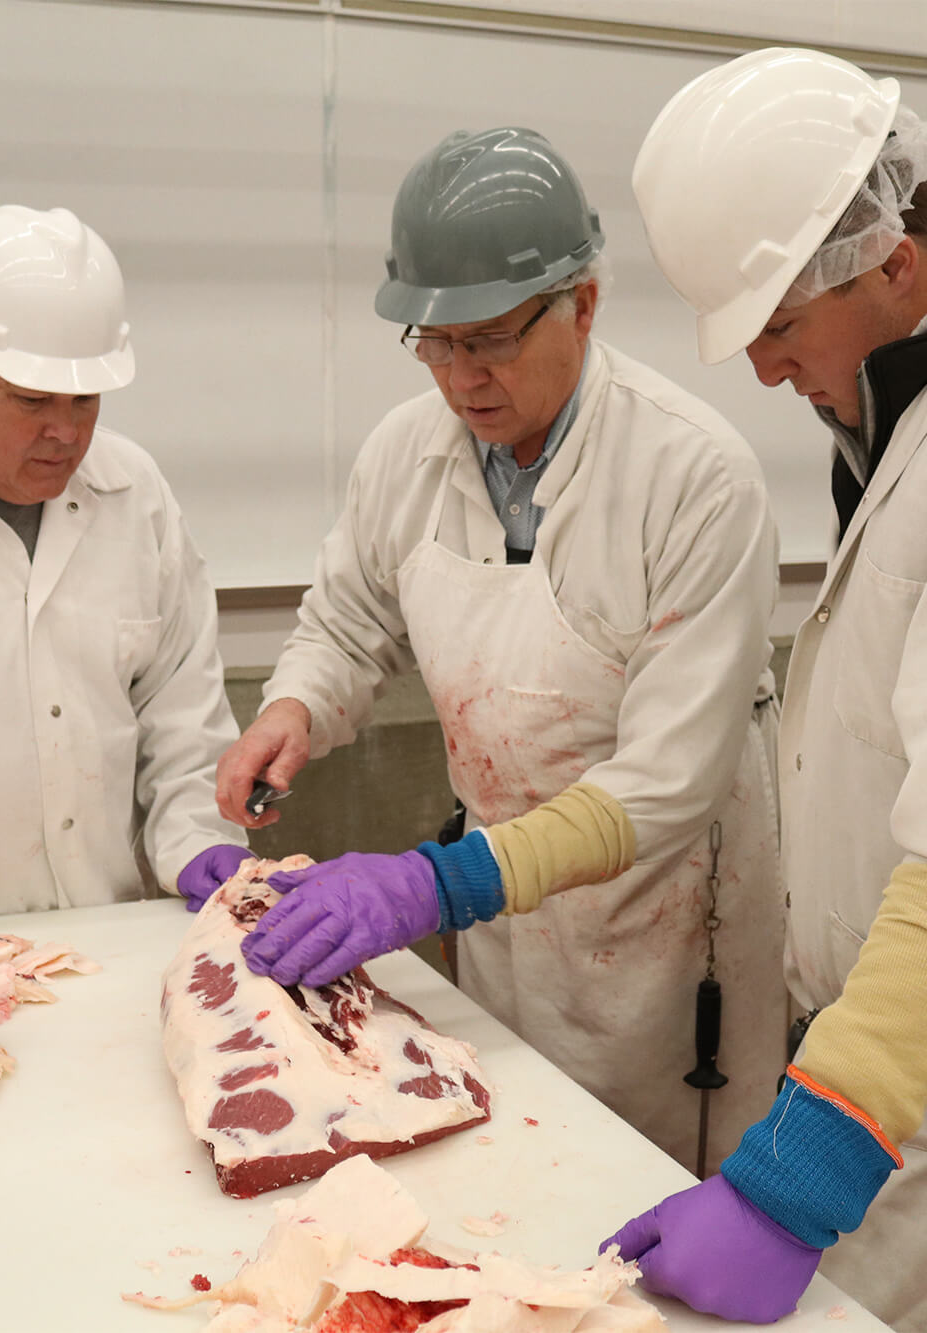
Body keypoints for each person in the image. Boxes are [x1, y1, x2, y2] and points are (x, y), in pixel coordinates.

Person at [216, 126, 787, 1178]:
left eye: (492, 339)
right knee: (505, 1185)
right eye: (434, 344)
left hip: (660, 942)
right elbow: (349, 623)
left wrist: (438, 885)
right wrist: (292, 709)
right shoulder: (406, 454)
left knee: (646, 1217)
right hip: (495, 925)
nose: (462, 378)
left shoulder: (694, 475)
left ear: (585, 301)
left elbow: (669, 783)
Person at [601, 47, 927, 1331]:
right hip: (880, 1064)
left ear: (893, 264)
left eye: (780, 327)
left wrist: (801, 1179)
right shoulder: (889, 428)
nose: (758, 370)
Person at [0, 204, 253, 920]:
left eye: (86, 399)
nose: (66, 432)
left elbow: (183, 723)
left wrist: (201, 845)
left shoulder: (135, 497)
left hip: (107, 938)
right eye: (32, 399)